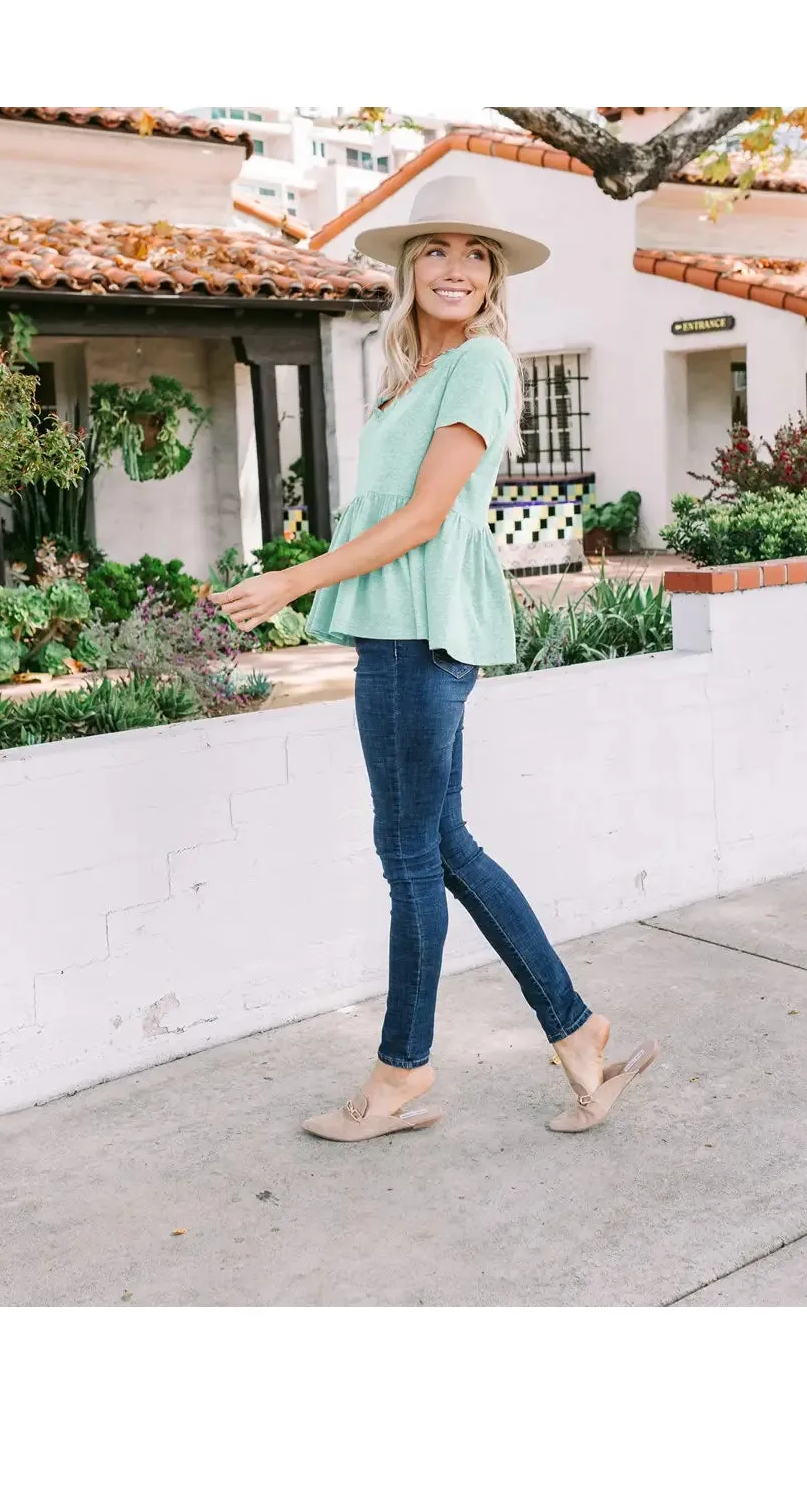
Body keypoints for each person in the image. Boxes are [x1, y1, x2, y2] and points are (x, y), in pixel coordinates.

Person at [212, 175, 658, 1142]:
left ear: (493, 278)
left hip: (420, 635)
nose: (455, 269)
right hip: (402, 633)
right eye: (436, 251)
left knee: (410, 857)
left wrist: (293, 582)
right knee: (441, 846)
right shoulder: (416, 368)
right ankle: (577, 1032)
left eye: (475, 255)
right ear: (409, 268)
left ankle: (399, 1074)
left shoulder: (483, 363)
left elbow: (422, 520)